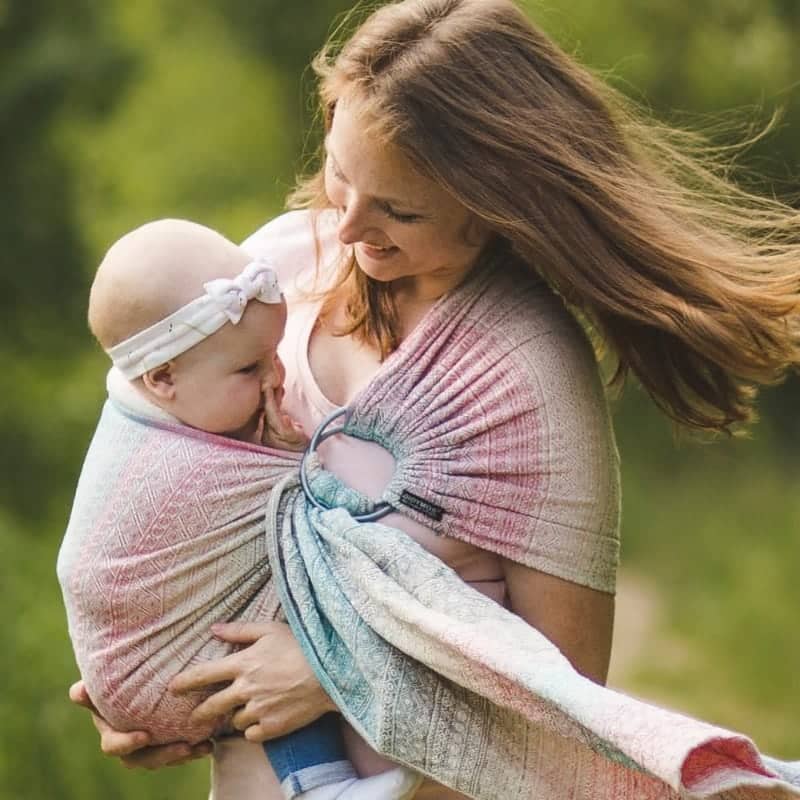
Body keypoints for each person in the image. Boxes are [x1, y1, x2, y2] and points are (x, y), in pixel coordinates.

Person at [70, 1, 800, 798]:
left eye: (398, 209)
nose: (346, 224)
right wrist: (143, 683)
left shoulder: (523, 371)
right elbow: (162, 473)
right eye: (341, 173)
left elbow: (566, 687)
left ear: (494, 211)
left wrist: (334, 673)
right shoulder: (269, 275)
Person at [59, 219, 420, 800]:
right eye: (250, 370)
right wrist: (288, 458)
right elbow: (315, 505)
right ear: (162, 377)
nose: (275, 377)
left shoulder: (197, 364)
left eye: (272, 356)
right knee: (298, 575)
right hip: (161, 672)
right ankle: (319, 785)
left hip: (158, 684)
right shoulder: (164, 455)